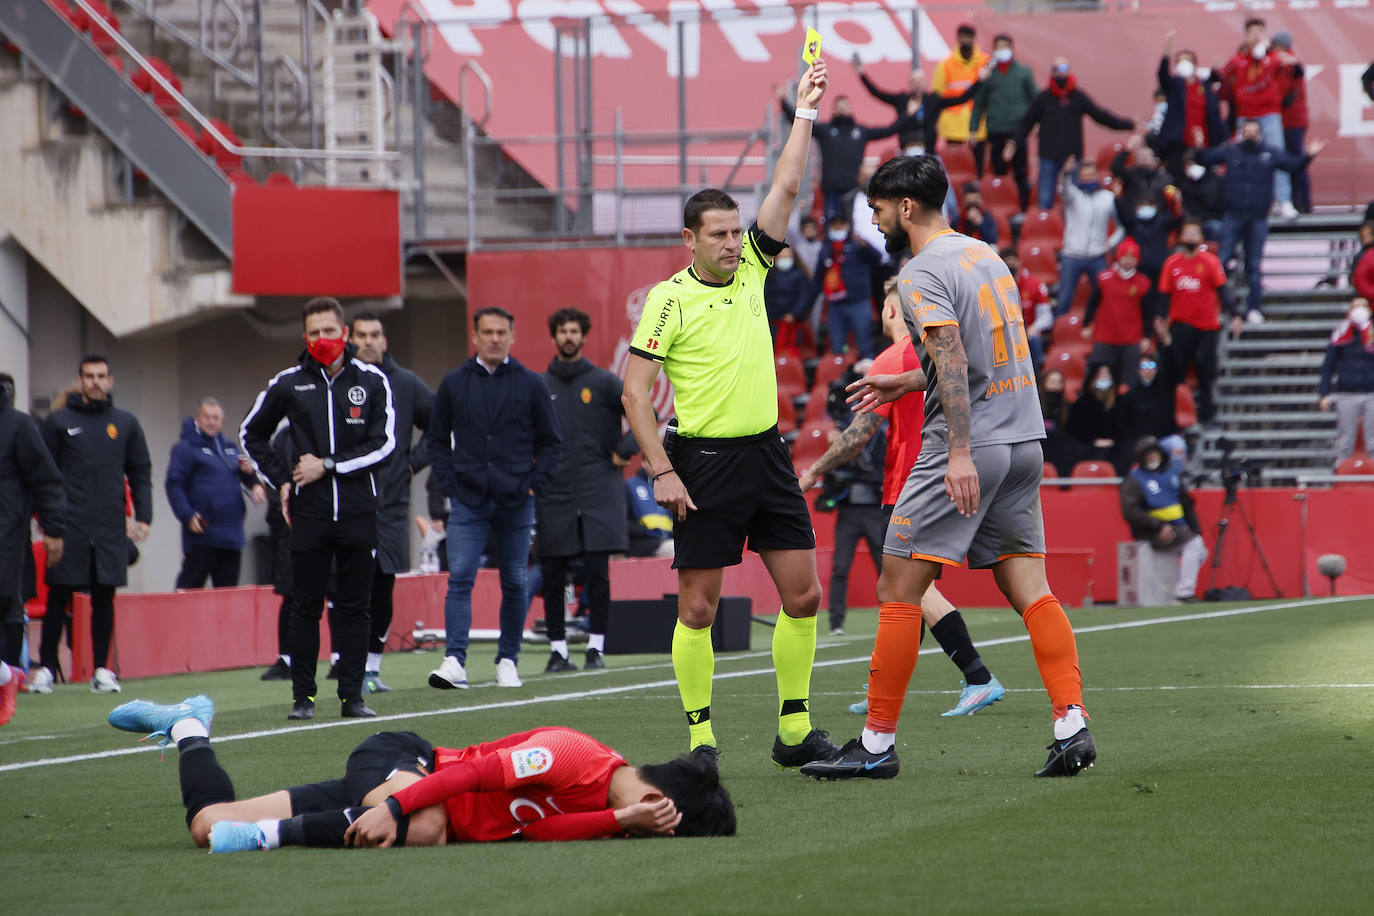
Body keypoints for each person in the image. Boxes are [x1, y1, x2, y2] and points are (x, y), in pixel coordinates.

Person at [803, 155, 1096, 780]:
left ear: (905, 208)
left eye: (879, 208)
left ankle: (875, 748)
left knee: (897, 588)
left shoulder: (919, 272)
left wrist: (958, 452)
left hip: (970, 443)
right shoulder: (985, 255)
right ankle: (1072, 727)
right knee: (1029, 588)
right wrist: (908, 380)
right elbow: (969, 357)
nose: (876, 219)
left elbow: (958, 363)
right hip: (1023, 440)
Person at [622, 59, 838, 768]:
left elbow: (786, 186)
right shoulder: (666, 299)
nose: (729, 242)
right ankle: (701, 737)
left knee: (803, 596)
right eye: (716, 234)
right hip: (702, 464)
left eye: (733, 232)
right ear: (689, 239)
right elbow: (633, 391)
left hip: (766, 456)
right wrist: (661, 471)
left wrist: (804, 111)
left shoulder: (753, 268)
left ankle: (796, 729)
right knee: (698, 610)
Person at [106, 694, 735, 852]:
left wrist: (619, 818)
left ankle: (188, 727)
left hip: (402, 791)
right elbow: (470, 778)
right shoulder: (572, 754)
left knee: (204, 825)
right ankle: (266, 839)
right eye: (664, 825)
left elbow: (533, 836)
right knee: (428, 824)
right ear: (661, 799)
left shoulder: (615, 817)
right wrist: (399, 807)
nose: (651, 834)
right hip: (403, 762)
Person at [797, 286, 1006, 717]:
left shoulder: (893, 359)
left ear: (891, 308)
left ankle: (979, 676)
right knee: (896, 593)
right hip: (955, 473)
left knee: (908, 589)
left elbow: (859, 434)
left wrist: (815, 471)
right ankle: (882, 688)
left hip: (912, 485)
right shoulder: (949, 351)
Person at [240, 298, 397, 722]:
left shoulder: (373, 379)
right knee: (304, 605)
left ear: (343, 333)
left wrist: (328, 465)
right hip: (308, 514)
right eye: (314, 333)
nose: (323, 339)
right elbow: (250, 434)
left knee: (356, 606)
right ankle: (303, 698)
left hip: (359, 512)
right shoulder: (288, 383)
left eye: (330, 331)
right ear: (304, 337)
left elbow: (384, 444)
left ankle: (352, 697)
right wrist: (284, 480)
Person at [423, 307, 562, 692]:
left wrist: (533, 483)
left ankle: (508, 660)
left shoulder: (531, 384)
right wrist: (450, 484)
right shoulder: (453, 384)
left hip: (517, 502)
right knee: (460, 577)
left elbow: (552, 442)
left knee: (515, 581)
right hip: (467, 501)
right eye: (488, 332)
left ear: (512, 336)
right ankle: (454, 660)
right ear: (475, 336)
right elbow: (435, 441)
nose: (495, 338)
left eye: (502, 331)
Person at [30, 356, 151, 696]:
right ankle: (46, 670)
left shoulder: (125, 423)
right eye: (89, 376)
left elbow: (141, 470)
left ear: (110, 380)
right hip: (69, 526)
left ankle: (102, 670)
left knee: (104, 597)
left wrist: (144, 516)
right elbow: (44, 474)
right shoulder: (58, 421)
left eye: (101, 376)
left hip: (110, 527)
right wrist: (46, 520)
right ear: (80, 380)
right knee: (58, 597)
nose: (95, 382)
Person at [537, 307, 636, 672]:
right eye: (562, 330)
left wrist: (624, 451)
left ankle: (595, 648)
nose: (568, 336)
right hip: (555, 491)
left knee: (598, 572)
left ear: (583, 336)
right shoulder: (539, 386)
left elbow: (644, 410)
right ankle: (558, 650)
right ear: (554, 336)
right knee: (553, 573)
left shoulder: (604, 382)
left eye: (574, 331)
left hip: (598, 490)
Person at [347, 312, 434, 694]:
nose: (368, 341)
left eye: (375, 335)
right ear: (350, 338)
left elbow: (439, 426)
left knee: (382, 584)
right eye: (362, 335)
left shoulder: (408, 384)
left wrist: (412, 464)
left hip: (392, 503)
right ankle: (344, 661)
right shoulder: (336, 383)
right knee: (349, 583)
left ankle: (371, 667)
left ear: (385, 341)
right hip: (346, 499)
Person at [1194, 121, 1325, 324]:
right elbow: (1205, 158)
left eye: (1254, 132)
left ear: (1261, 135)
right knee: (1222, 260)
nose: (1250, 136)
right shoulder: (1231, 151)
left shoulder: (1270, 153)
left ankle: (1254, 308)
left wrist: (1308, 155)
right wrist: (1199, 145)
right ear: (1240, 134)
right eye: (1247, 132)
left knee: (1253, 265)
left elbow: (1293, 166)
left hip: (1258, 216)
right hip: (1234, 214)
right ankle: (1212, 303)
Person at [0, 373, 65, 722]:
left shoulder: (18, 426)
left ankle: (8, 682)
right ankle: (8, 677)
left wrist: (53, 529)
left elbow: (47, 480)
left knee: (7, 608)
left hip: (6, 537)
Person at [1008, 57, 1136, 210]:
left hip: (1072, 157)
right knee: (1045, 199)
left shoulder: (1078, 97)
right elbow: (1026, 123)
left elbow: (1101, 116)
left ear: (1069, 71)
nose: (1061, 73)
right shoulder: (1043, 98)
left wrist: (1129, 125)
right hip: (1048, 157)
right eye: (1057, 69)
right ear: (1052, 72)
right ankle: (1047, 227)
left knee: (1075, 200)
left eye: (1064, 69)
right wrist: (1014, 143)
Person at [165, 398, 266, 589]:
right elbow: (174, 484)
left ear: (222, 421)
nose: (211, 422)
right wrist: (186, 514)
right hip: (202, 532)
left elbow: (244, 474)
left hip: (231, 535)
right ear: (197, 419)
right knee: (190, 589)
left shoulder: (228, 447)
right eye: (207, 417)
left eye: (216, 418)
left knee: (227, 595)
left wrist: (254, 483)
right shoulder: (185, 449)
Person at [1158, 219, 1238, 426]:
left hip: (1206, 326)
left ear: (1201, 238)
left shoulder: (1211, 262)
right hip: (1180, 325)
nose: (1191, 237)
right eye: (1188, 233)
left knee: (1206, 370)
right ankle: (1171, 414)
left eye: (1195, 233)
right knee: (1175, 371)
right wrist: (1160, 320)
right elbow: (1164, 295)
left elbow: (1223, 290)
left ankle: (1207, 414)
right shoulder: (1172, 263)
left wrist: (1236, 314)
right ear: (1181, 237)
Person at [776, 91, 895, 221]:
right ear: (833, 109)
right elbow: (801, 122)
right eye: (839, 106)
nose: (842, 108)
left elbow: (888, 130)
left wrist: (908, 115)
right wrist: (783, 102)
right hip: (831, 192)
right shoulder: (825, 130)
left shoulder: (861, 131)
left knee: (854, 226)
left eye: (845, 105)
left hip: (853, 191)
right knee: (831, 228)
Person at [1119, 437, 1205, 605]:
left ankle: (1182, 589)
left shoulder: (1171, 476)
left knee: (1200, 550)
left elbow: (1186, 503)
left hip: (1177, 528)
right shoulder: (1134, 481)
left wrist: (1195, 528)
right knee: (1195, 545)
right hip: (1151, 532)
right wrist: (1158, 527)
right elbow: (1130, 512)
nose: (1153, 459)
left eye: (1155, 455)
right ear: (1141, 458)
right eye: (1148, 456)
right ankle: (1185, 591)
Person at [1220, 18, 1290, 215]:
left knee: (1277, 155)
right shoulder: (1239, 60)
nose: (1256, 35)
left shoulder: (1275, 57)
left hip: (1269, 114)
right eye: (1251, 32)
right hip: (1246, 116)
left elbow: (1292, 68)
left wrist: (1269, 55)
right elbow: (1225, 74)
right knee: (1241, 159)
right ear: (1245, 35)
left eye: (1260, 30)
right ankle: (1242, 202)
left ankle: (1283, 200)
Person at [853, 58, 984, 159]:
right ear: (909, 84)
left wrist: (979, 81)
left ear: (925, 83)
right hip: (906, 151)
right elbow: (877, 93)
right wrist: (861, 74)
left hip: (930, 153)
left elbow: (961, 98)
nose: (917, 85)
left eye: (920, 81)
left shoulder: (933, 100)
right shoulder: (902, 100)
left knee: (943, 186)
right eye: (914, 82)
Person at [970, 33, 1037, 210]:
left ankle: (1022, 208)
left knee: (1020, 172)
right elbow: (979, 104)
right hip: (996, 129)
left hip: (1018, 129)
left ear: (1011, 48)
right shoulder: (988, 74)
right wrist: (973, 128)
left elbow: (1035, 100)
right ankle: (998, 207)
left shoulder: (1023, 72)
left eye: (1005, 46)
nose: (1002, 50)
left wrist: (1037, 123)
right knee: (998, 172)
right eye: (998, 46)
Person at [1056, 156, 1121, 317]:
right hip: (1072, 254)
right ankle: (1058, 333)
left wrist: (1110, 244)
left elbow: (1122, 226)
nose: (1088, 178)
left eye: (1091, 174)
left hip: (1097, 255)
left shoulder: (1108, 198)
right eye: (1084, 176)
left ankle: (1103, 329)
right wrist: (1066, 174)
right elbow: (1063, 189)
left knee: (1106, 295)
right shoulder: (1074, 196)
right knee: (1064, 298)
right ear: (1079, 177)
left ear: (1096, 175)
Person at [1082, 239, 1152, 390]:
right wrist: (1086, 324)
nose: (1128, 261)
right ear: (1118, 258)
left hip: (1131, 339)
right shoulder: (1104, 278)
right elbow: (1092, 303)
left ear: (1137, 260)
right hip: (1104, 338)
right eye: (1124, 257)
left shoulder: (1143, 282)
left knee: (1130, 382)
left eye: (1132, 258)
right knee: (1096, 378)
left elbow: (1148, 312)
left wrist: (1146, 336)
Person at [1157, 31, 1225, 183]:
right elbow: (1162, 76)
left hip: (1203, 143)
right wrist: (1167, 51)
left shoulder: (1204, 86)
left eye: (1188, 60)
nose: (1184, 63)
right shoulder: (1175, 85)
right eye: (1180, 61)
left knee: (1203, 183)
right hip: (1178, 143)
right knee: (1178, 182)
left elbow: (1215, 111)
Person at [817, 211, 883, 358]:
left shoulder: (858, 245)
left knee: (865, 345)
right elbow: (818, 276)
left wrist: (865, 246)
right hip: (835, 305)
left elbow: (878, 259)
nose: (838, 228)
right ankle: (839, 378)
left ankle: (868, 377)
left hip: (859, 301)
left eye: (841, 225)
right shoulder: (826, 249)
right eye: (835, 226)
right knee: (837, 347)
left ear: (847, 226)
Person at [1318, 297, 1374, 463]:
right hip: (1347, 392)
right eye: (1356, 306)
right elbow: (1329, 365)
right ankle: (1340, 481)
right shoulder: (1341, 333)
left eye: (1363, 306)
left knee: (1373, 441)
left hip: (1372, 392)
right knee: (1345, 442)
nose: (1359, 310)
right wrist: (1324, 393)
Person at [932, 24, 990, 168]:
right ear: (958, 38)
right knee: (954, 166)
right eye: (963, 37)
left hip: (979, 123)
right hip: (953, 122)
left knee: (978, 166)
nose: (966, 41)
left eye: (968, 37)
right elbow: (936, 94)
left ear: (974, 39)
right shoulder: (945, 64)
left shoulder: (986, 62)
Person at [1271, 31, 1310, 216]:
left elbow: (1282, 92)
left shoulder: (1289, 64)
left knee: (1294, 161)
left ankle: (1301, 202)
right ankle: (1298, 202)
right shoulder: (1290, 63)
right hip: (1290, 119)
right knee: (1292, 161)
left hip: (1291, 121)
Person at [1066, 364, 1128, 473]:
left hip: (1115, 445)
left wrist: (1112, 440)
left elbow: (1126, 426)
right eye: (1100, 374)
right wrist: (1093, 441)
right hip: (1086, 445)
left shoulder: (1121, 402)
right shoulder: (1082, 402)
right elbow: (1074, 428)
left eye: (1107, 373)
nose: (1104, 376)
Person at [1002, 247, 1051, 373]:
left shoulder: (1034, 285)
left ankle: (1036, 378)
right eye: (1007, 262)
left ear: (1020, 262)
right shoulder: (996, 286)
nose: (1011, 264)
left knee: (1035, 341)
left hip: (1028, 333)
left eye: (1013, 261)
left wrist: (1034, 328)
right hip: (1004, 333)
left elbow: (1047, 317)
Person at [764, 246, 814, 340]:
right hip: (773, 321)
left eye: (787, 256)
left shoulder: (800, 275)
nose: (784, 259)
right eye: (782, 256)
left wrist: (794, 314)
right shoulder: (769, 275)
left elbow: (804, 297)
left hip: (794, 322)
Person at [1178, 151, 1227, 242]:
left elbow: (1219, 204)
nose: (1191, 168)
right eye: (1187, 165)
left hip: (1214, 219)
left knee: (1217, 227)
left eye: (1193, 164)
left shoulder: (1215, 181)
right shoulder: (1185, 185)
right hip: (1193, 221)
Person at [1038, 369, 1076, 477]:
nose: (1055, 385)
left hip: (1060, 448)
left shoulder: (1067, 407)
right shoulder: (1036, 405)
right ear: (1045, 383)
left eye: (1058, 382)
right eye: (1052, 382)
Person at [1353, 223, 1374, 301]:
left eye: (1368, 234)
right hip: (1365, 296)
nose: (1366, 237)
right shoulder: (1359, 257)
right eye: (1363, 235)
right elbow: (1359, 280)